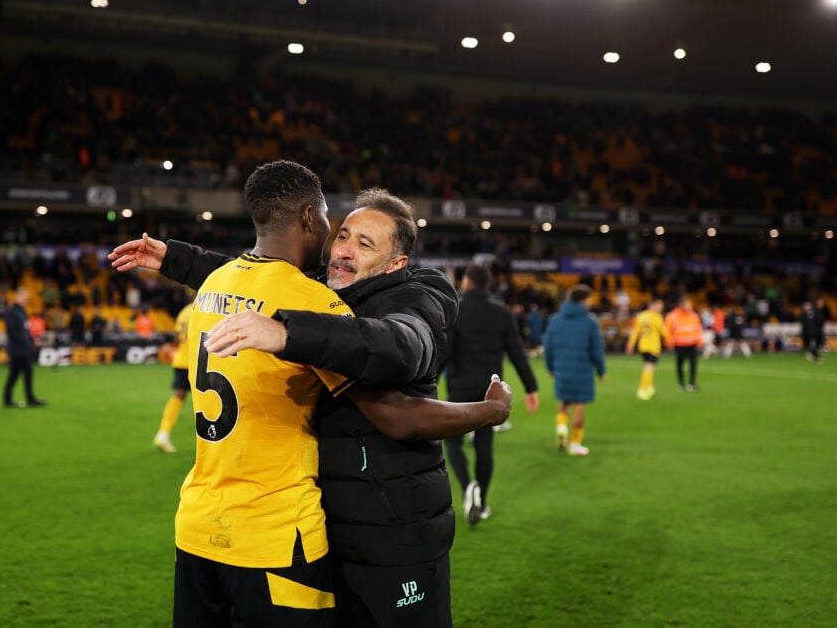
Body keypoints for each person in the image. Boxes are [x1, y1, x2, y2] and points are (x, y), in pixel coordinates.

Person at [112, 163, 510, 628]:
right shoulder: (313, 292)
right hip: (308, 529)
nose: (343, 249)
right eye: (343, 235)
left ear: (396, 263)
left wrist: (288, 333)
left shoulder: (419, 291)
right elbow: (261, 278)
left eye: (365, 244)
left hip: (392, 533)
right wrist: (178, 259)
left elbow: (401, 351)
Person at [441, 263, 539, 525]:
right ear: (488, 284)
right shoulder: (502, 312)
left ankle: (467, 487)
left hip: (460, 386)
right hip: (490, 389)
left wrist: (426, 380)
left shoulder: (456, 309)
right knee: (485, 445)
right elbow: (517, 353)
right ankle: (482, 502)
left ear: (467, 282)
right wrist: (530, 388)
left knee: (453, 443)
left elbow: (445, 351)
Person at [543, 285, 605, 456]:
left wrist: (550, 367)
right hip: (582, 371)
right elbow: (596, 350)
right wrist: (601, 370)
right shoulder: (590, 322)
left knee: (564, 403)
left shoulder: (555, 320)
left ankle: (561, 428)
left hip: (562, 370)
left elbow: (548, 346)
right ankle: (575, 444)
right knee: (579, 406)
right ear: (583, 300)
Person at [152, 297, 194, 453]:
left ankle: (163, 433)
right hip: (196, 361)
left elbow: (177, 336)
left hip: (181, 359)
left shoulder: (184, 312)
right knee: (207, 401)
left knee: (178, 397)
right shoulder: (204, 309)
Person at [1, 287, 47, 408]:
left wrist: (32, 340)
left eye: (27, 299)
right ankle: (29, 399)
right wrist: (26, 343)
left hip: (22, 348)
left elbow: (25, 330)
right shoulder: (12, 311)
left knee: (15, 374)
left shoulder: (21, 311)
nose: (26, 301)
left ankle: (8, 399)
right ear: (18, 296)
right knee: (25, 373)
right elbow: (12, 332)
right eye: (25, 298)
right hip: (18, 349)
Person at [624, 298, 671, 400]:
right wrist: (670, 340)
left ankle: (649, 387)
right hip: (653, 345)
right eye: (659, 306)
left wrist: (630, 344)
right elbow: (663, 330)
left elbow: (635, 331)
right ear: (652, 305)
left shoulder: (641, 316)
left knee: (650, 366)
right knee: (649, 367)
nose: (661, 308)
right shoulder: (657, 317)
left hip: (643, 345)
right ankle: (642, 389)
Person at [664, 295, 705, 392]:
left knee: (693, 364)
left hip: (692, 344)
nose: (689, 305)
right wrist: (668, 343)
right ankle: (681, 384)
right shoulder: (672, 316)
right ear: (681, 304)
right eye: (687, 303)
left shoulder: (694, 316)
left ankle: (691, 384)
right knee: (680, 365)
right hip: (679, 344)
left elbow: (698, 329)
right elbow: (667, 330)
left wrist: (700, 341)